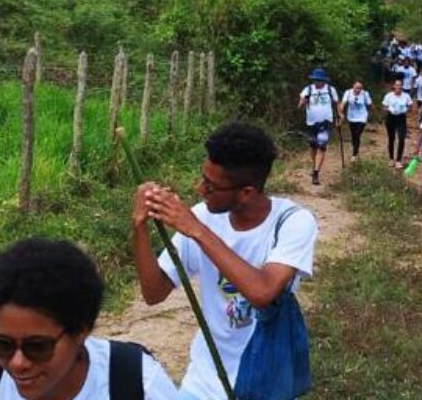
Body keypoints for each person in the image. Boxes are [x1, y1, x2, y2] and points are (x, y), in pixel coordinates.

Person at [132, 122, 318, 400]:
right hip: (202, 382)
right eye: (202, 177)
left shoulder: (292, 222)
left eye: (211, 186)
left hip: (263, 379)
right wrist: (139, 228)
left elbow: (262, 292)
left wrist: (196, 230)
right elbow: (153, 293)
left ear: (246, 193)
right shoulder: (202, 216)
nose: (199, 189)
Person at [0, 237, 178, 400]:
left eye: (37, 347)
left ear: (80, 332)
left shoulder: (137, 385)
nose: (18, 363)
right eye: (3, 345)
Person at [297, 68, 339, 185]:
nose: (317, 82)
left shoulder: (330, 90)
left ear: (324, 81)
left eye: (319, 80)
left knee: (321, 146)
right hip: (311, 123)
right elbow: (300, 106)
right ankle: (314, 166)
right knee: (313, 147)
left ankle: (316, 173)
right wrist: (303, 102)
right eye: (315, 80)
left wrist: (340, 115)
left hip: (326, 122)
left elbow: (336, 104)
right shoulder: (307, 90)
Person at [380, 78, 414, 168]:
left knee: (401, 138)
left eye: (400, 85)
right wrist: (389, 109)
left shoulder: (406, 96)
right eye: (397, 85)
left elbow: (411, 106)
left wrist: (406, 109)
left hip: (401, 118)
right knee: (391, 138)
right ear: (394, 86)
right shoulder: (388, 96)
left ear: (402, 86)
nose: (398, 87)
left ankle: (399, 160)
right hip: (391, 118)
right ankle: (391, 158)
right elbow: (384, 107)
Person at [338, 80, 373, 161]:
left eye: (360, 88)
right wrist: (340, 111)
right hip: (351, 117)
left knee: (357, 134)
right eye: (356, 88)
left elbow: (370, 104)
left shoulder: (365, 94)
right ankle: (355, 149)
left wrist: (374, 113)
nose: (358, 90)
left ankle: (354, 154)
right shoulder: (348, 93)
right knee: (354, 135)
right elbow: (343, 103)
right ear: (353, 86)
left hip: (362, 117)